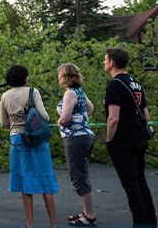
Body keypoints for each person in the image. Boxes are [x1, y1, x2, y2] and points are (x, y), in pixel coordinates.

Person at [0, 64, 58, 228]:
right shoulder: (33, 92)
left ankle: (29, 224)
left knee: (26, 182)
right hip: (37, 139)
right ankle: (53, 223)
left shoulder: (5, 96)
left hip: (17, 138)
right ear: (24, 77)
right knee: (46, 179)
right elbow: (44, 116)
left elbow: (3, 123)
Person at [103, 48, 156, 228]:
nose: (104, 63)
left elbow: (113, 118)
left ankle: (140, 222)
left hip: (123, 140)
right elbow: (146, 115)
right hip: (139, 137)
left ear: (112, 62)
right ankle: (150, 221)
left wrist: (109, 140)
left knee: (131, 184)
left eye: (105, 59)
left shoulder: (114, 84)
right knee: (140, 181)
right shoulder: (135, 83)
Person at [56, 63, 96, 227]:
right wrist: (80, 117)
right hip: (85, 135)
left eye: (60, 75)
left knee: (78, 175)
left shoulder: (69, 93)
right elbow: (90, 108)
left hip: (75, 138)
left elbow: (65, 118)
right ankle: (86, 212)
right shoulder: (79, 92)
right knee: (82, 173)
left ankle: (90, 216)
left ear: (64, 76)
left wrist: (59, 121)